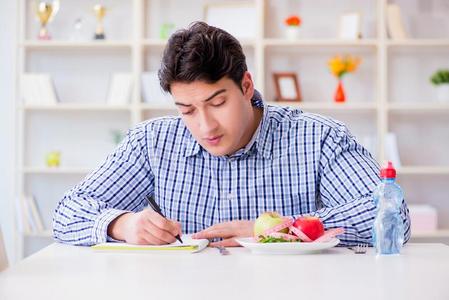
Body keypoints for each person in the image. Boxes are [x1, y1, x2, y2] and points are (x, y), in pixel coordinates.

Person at [53, 21, 411, 247]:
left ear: (246, 85)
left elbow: (392, 215)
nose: (205, 126)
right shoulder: (151, 142)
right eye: (187, 110)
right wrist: (122, 223)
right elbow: (67, 212)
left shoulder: (319, 138)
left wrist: (276, 230)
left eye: (217, 102)